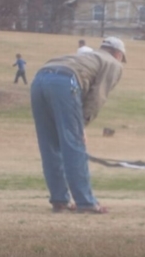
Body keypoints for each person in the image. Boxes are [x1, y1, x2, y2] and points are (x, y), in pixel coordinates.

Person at [30, 36, 126, 214]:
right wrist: (82, 124)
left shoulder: (87, 57)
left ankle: (60, 200)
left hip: (40, 79)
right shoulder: (112, 63)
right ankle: (86, 202)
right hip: (65, 82)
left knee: (49, 145)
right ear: (118, 54)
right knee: (73, 145)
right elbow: (98, 96)